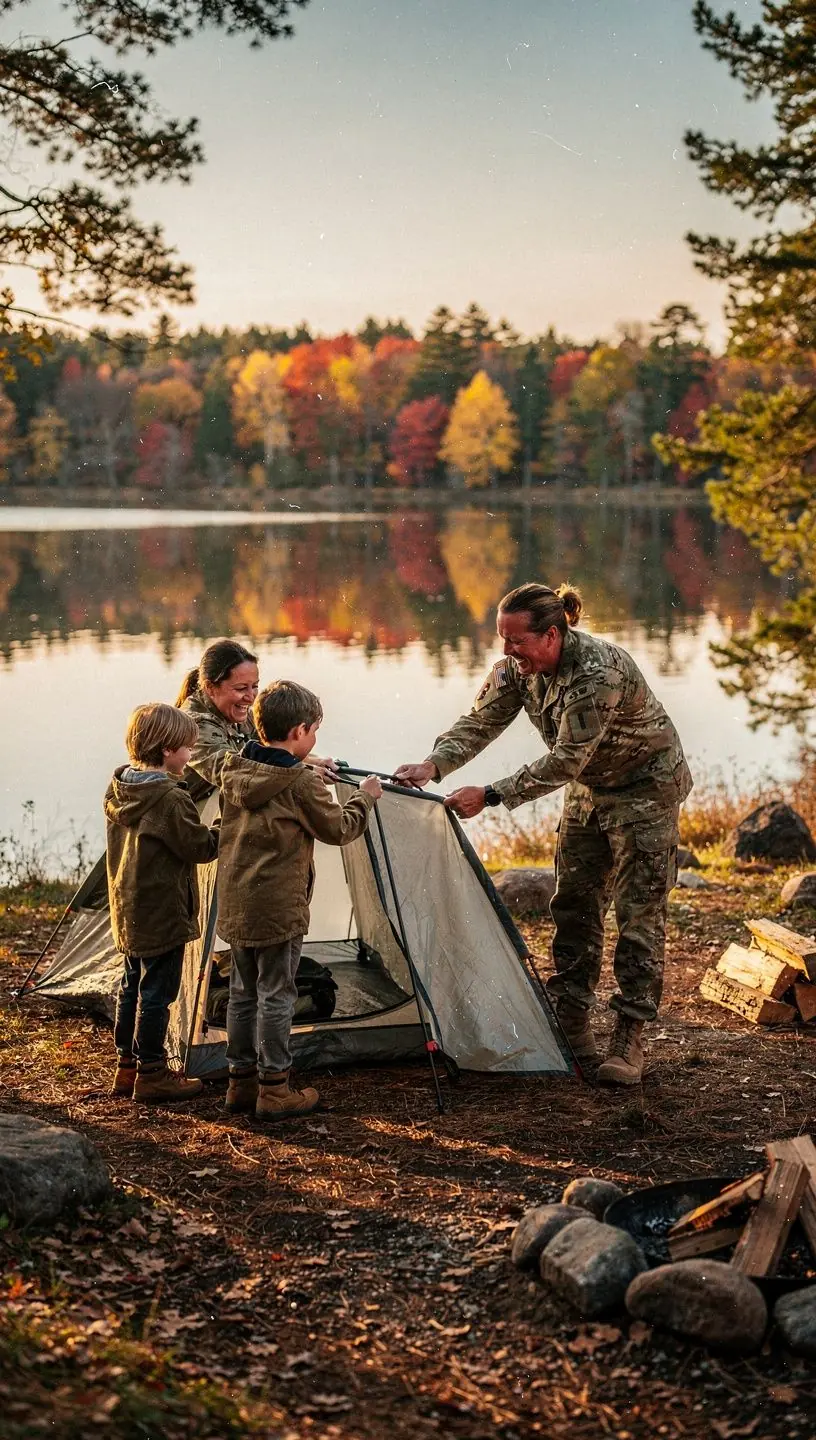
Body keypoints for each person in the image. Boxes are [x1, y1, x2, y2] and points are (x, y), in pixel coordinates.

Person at [395, 582, 692, 1086]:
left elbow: (564, 761)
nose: (507, 650)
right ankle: (571, 1024)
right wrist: (434, 765)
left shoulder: (597, 673)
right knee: (573, 904)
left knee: (638, 913)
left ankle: (630, 1035)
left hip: (645, 787)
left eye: (517, 640)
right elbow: (481, 721)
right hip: (589, 788)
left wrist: (490, 795)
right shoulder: (519, 667)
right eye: (502, 638)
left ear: (551, 635)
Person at [216, 680, 383, 1120]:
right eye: (314, 732)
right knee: (277, 994)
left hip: (237, 902)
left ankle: (240, 1082)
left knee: (242, 993)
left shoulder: (235, 769)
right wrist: (365, 798)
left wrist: (308, 771)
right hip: (278, 907)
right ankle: (275, 1089)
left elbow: (279, 777)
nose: (314, 740)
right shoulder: (299, 784)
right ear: (299, 731)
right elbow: (339, 829)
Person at [106, 703, 220, 1103]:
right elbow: (200, 847)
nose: (191, 756)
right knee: (157, 993)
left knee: (131, 986)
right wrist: (224, 827)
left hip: (130, 908)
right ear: (168, 749)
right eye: (188, 748)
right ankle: (152, 1073)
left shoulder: (120, 787)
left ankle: (127, 1066)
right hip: (164, 911)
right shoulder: (169, 797)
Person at [176, 638, 336, 805]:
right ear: (210, 688)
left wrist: (311, 762)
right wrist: (304, 773)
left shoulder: (235, 711)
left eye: (254, 686)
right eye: (241, 688)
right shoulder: (194, 726)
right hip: (191, 810)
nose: (251, 698)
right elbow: (233, 774)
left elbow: (273, 750)